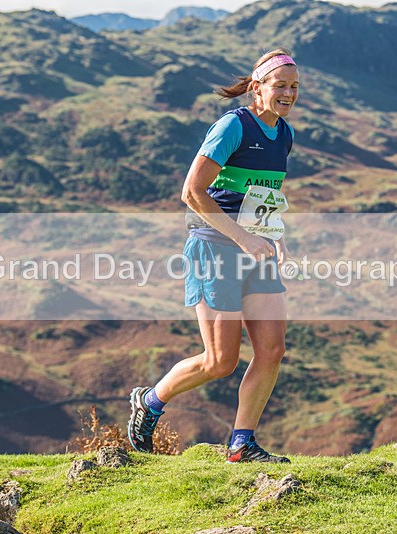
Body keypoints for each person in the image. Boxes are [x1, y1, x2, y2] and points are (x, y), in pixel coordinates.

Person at [128, 49, 299, 463]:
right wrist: (243, 238)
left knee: (272, 349)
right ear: (256, 87)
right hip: (214, 245)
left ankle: (241, 444)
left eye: (295, 88)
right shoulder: (232, 126)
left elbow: (262, 194)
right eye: (281, 86)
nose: (289, 94)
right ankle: (149, 401)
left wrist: (276, 234)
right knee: (221, 360)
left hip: (255, 248)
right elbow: (192, 192)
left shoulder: (284, 134)